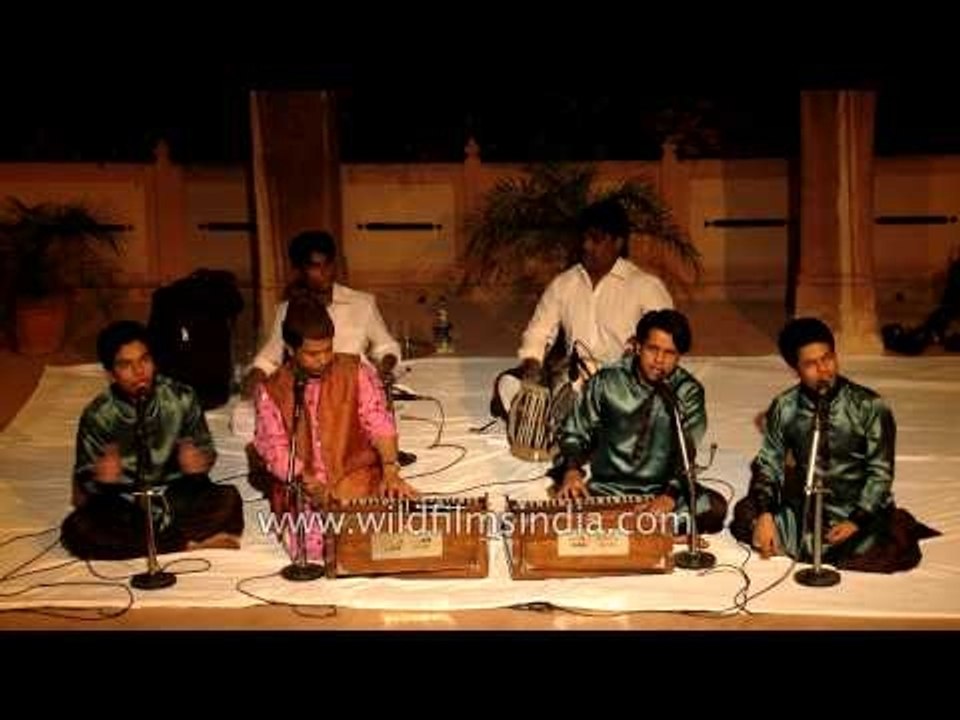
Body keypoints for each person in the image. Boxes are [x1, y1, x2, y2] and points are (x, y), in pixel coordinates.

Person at [730, 317, 940, 572]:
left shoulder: (869, 406)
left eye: (827, 358)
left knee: (883, 552)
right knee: (746, 518)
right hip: (805, 509)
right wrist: (765, 515)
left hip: (855, 511)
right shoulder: (785, 406)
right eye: (810, 364)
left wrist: (856, 521)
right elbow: (769, 464)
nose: (824, 370)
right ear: (795, 368)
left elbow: (880, 474)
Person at [251, 290, 418, 561]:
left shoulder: (355, 372)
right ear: (291, 350)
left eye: (328, 349)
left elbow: (379, 423)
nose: (323, 359)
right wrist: (310, 485)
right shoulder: (272, 390)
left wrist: (389, 471)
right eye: (312, 353)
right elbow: (277, 451)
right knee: (316, 548)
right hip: (303, 490)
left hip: (355, 479)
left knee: (389, 534)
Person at [61, 321, 244, 560]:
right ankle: (184, 544)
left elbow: (204, 448)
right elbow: (84, 482)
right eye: (126, 365)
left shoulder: (181, 397)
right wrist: (102, 479)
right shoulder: (98, 415)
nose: (139, 371)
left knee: (228, 499)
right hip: (125, 505)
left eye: (144, 360)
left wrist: (199, 462)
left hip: (177, 498)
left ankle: (152, 545)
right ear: (110, 373)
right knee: (77, 531)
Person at [552, 309, 727, 535]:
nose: (659, 360)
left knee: (714, 508)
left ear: (679, 356)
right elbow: (574, 432)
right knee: (559, 510)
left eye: (669, 353)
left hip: (658, 493)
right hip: (604, 492)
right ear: (637, 346)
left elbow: (687, 455)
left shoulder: (687, 392)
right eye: (652, 349)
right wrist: (572, 470)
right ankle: (646, 529)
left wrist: (670, 496)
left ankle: (627, 526)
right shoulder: (607, 381)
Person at [517, 197, 674, 383]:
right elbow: (538, 332)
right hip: (574, 385)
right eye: (584, 238)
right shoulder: (563, 284)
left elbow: (666, 340)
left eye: (596, 239)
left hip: (626, 388)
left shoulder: (645, 287)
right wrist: (532, 363)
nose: (586, 246)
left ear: (618, 243)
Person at [242, 230, 401, 397]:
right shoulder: (288, 310)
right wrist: (256, 376)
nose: (325, 272)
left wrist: (384, 368)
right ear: (300, 270)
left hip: (357, 393)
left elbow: (387, 347)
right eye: (315, 267)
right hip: (309, 397)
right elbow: (269, 359)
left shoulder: (362, 304)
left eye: (328, 264)